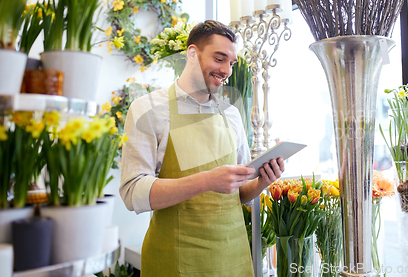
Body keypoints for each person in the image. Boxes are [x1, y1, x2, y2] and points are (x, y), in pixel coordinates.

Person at [119, 20, 285, 276]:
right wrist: (207, 180)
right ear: (193, 53)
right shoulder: (147, 109)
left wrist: (263, 180)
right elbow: (133, 193)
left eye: (231, 63)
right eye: (219, 59)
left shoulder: (231, 114)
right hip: (176, 261)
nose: (227, 70)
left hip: (233, 258)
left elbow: (238, 193)